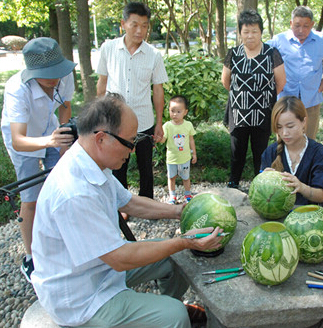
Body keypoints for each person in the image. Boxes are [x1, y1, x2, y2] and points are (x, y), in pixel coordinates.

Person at [31, 93, 223, 327]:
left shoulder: (93, 162)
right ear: (101, 139)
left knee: (175, 258)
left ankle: (153, 314)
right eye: (130, 142)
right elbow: (120, 259)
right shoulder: (74, 192)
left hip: (100, 270)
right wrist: (184, 241)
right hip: (82, 299)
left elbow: (129, 202)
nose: (132, 150)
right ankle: (164, 316)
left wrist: (180, 211)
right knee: (175, 316)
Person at [0, 37, 76, 282]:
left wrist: (64, 137)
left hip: (50, 129)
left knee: (63, 186)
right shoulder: (17, 89)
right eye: (47, 75)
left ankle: (62, 243)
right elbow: (18, 139)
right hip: (24, 140)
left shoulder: (64, 75)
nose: (55, 79)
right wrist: (50, 142)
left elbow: (65, 107)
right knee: (30, 198)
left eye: (57, 72)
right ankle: (31, 257)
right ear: (32, 73)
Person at [96, 2, 168, 202]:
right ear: (123, 24)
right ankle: (121, 205)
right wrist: (100, 117)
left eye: (144, 26)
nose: (140, 30)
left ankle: (147, 202)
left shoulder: (153, 55)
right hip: (114, 121)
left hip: (144, 120)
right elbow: (101, 83)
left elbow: (158, 90)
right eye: (135, 24)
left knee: (146, 166)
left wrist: (159, 122)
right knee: (118, 166)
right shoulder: (108, 48)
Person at [221, 9, 286, 189]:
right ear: (240, 32)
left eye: (254, 31)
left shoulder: (271, 53)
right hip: (238, 112)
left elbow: (280, 83)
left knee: (261, 152)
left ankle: (261, 185)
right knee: (237, 151)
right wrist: (243, 96)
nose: (250, 36)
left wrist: (260, 97)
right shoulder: (233, 53)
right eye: (246, 31)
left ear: (261, 32)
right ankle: (234, 182)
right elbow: (226, 82)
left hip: (263, 112)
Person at [268, 6, 323, 140]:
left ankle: (306, 162)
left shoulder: (322, 40)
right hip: (285, 99)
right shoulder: (279, 40)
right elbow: (262, 55)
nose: (301, 30)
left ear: (312, 25)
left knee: (309, 141)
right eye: (297, 25)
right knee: (284, 141)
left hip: (311, 100)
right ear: (291, 23)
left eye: (306, 26)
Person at [261, 96, 323, 206]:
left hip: (309, 216)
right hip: (277, 214)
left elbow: (321, 196)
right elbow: (262, 195)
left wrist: (301, 187)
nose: (284, 133)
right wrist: (262, 181)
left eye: (290, 126)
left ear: (303, 122)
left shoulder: (319, 153)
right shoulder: (271, 152)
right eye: (279, 127)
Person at [160, 95, 197, 204]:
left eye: (178, 111)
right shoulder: (167, 126)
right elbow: (163, 140)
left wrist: (194, 153)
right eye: (172, 111)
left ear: (185, 112)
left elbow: (191, 140)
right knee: (171, 177)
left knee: (186, 177)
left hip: (185, 158)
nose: (175, 114)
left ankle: (187, 194)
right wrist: (158, 138)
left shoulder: (188, 125)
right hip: (172, 158)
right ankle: (172, 195)